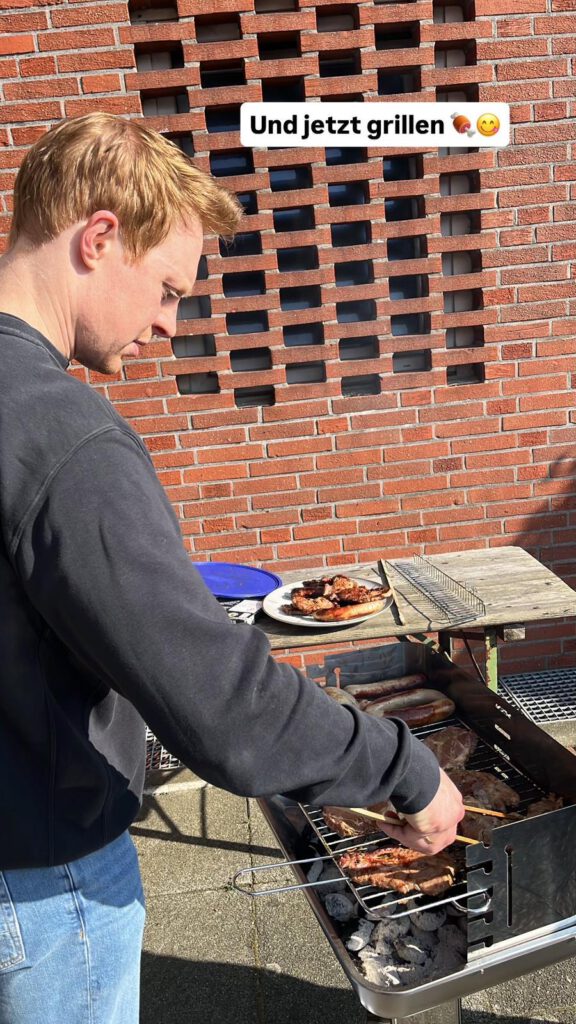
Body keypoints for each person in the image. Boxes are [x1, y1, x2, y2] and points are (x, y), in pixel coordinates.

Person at [0, 113, 464, 1023]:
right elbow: (223, 707)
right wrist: (407, 769)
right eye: (168, 288)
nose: (169, 324)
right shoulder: (64, 436)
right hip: (44, 885)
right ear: (99, 237)